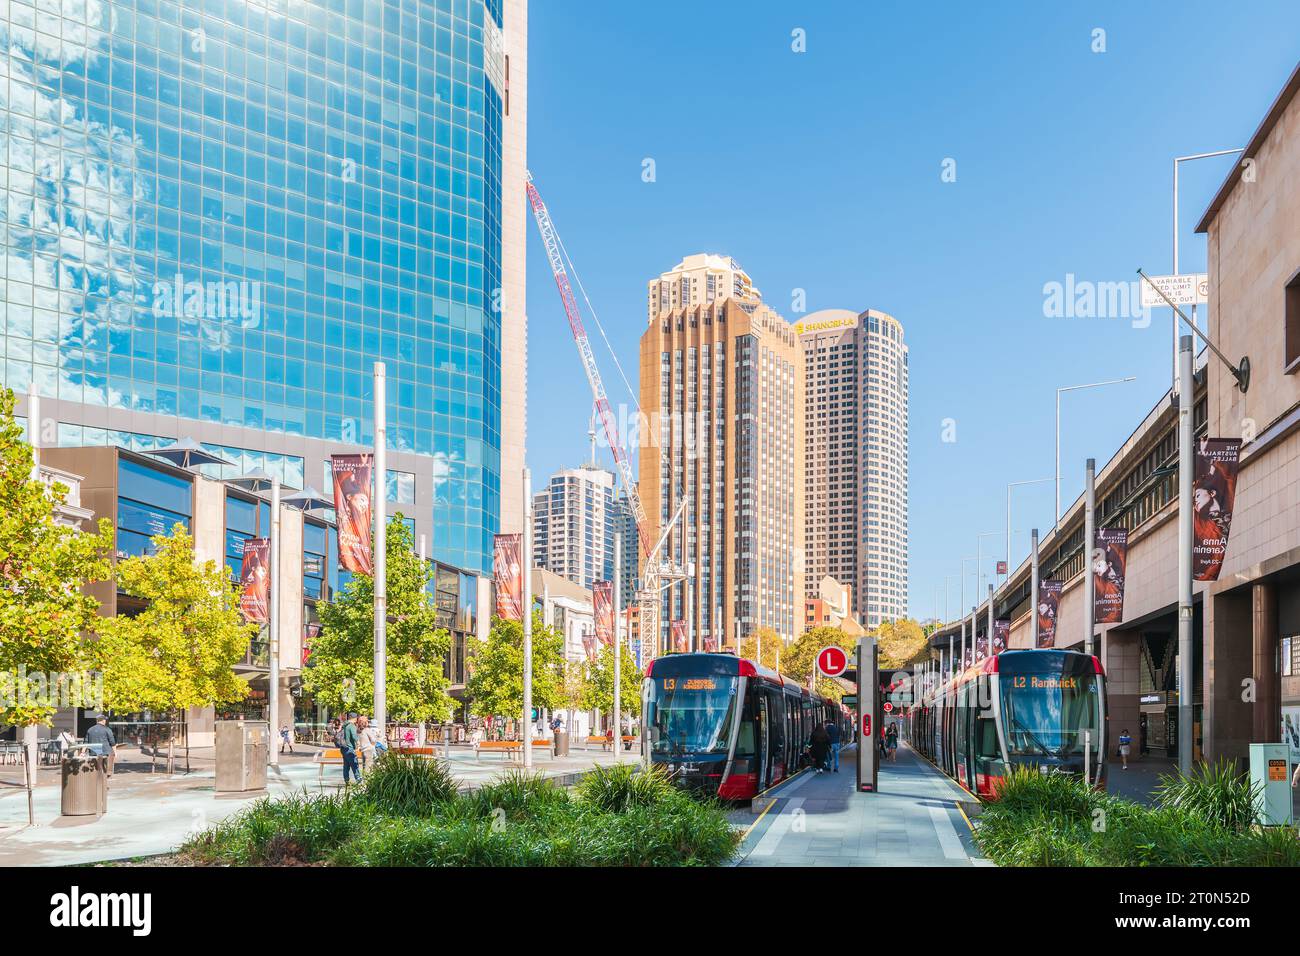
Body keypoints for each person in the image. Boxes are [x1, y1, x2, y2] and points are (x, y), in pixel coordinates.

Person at [334, 713, 361, 785]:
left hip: (343, 748)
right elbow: (354, 736)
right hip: (349, 748)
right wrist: (358, 743)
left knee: (346, 765)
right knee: (354, 765)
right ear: (354, 718)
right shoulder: (351, 726)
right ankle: (358, 780)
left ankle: (346, 780)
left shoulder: (344, 725)